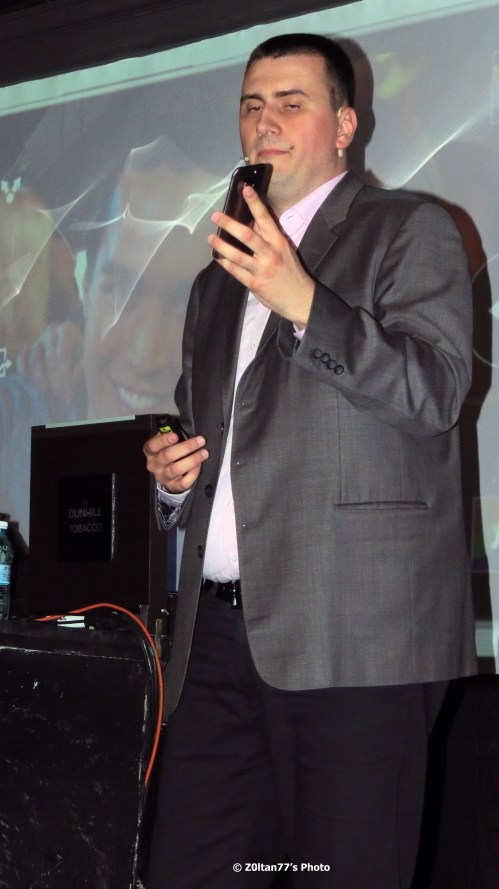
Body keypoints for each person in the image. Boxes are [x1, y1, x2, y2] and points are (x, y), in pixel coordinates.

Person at [143, 33, 476, 889]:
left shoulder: (409, 230)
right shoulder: (216, 281)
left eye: (291, 103)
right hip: (217, 644)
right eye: (251, 105)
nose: (266, 121)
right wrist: (174, 476)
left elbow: (435, 393)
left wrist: (302, 302)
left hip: (352, 636)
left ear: (345, 125)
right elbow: (212, 432)